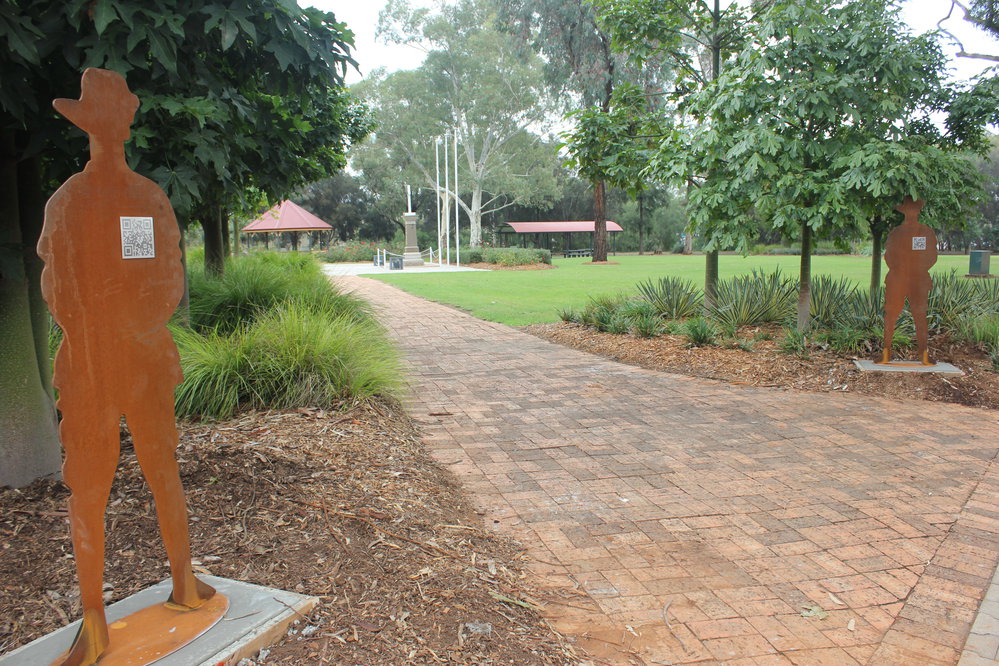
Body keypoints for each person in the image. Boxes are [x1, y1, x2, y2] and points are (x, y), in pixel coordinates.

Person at [37, 68, 215, 666]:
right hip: (110, 360)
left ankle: (178, 587)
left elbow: (156, 283)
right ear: (107, 126)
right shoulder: (116, 200)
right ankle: (100, 618)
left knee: (129, 477)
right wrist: (120, 327)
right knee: (101, 484)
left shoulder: (116, 200)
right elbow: (147, 286)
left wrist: (109, 326)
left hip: (115, 359)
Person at [881, 196, 938, 365]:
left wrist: (911, 269)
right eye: (910, 209)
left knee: (919, 315)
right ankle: (886, 353)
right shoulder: (898, 233)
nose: (912, 212)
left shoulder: (923, 232)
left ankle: (924, 354)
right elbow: (888, 256)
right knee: (891, 315)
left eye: (914, 209)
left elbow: (931, 257)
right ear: (905, 212)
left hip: (913, 279)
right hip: (904, 279)